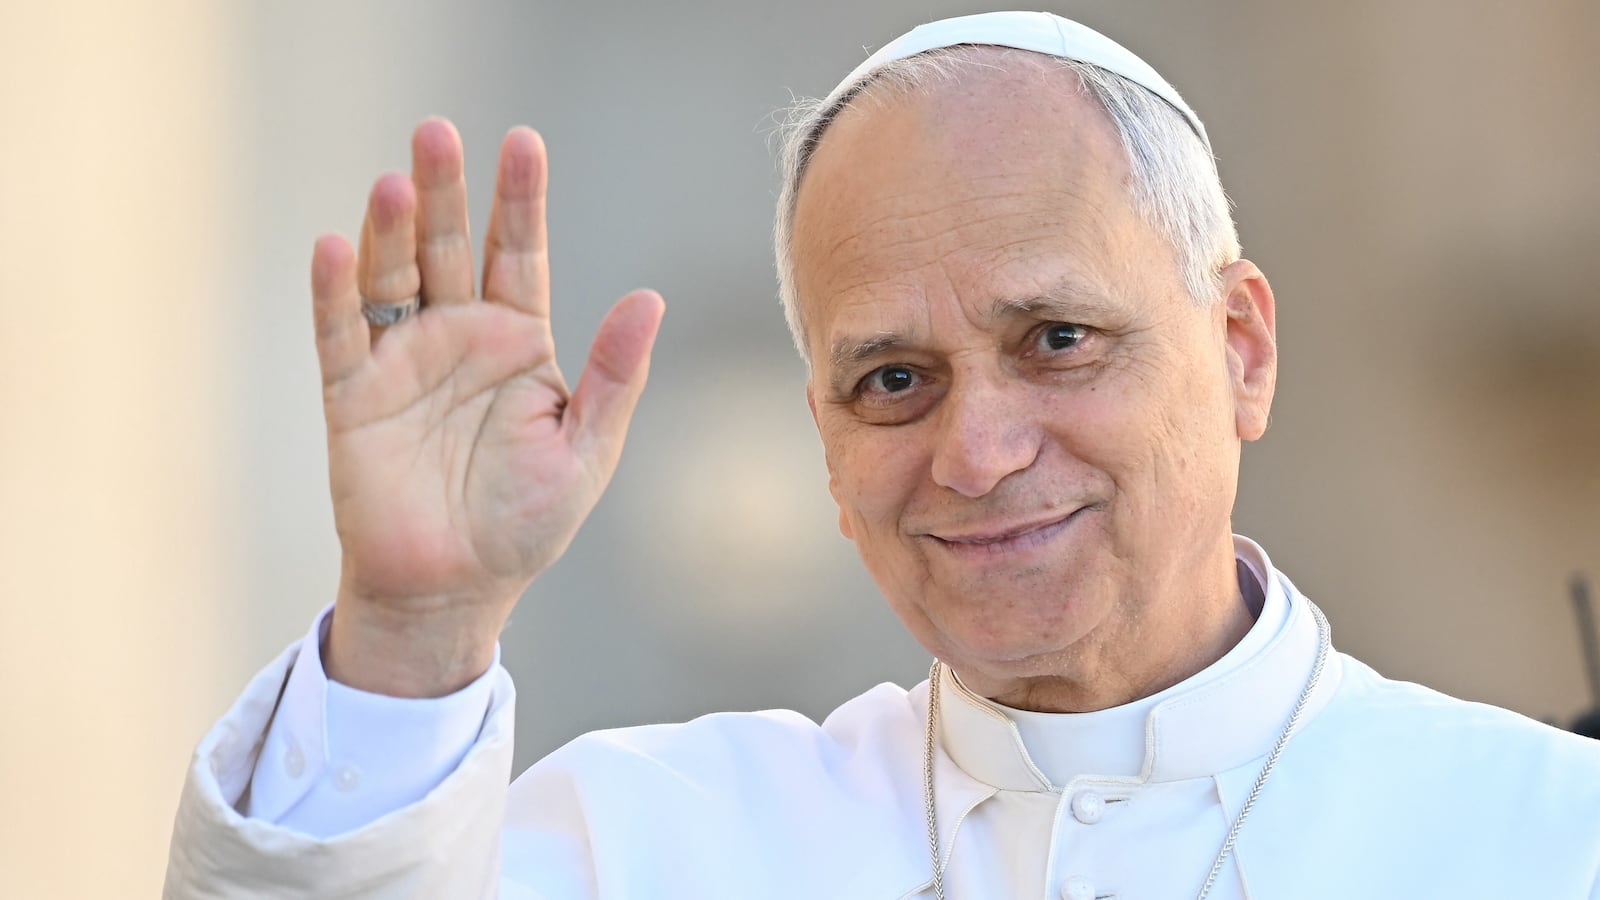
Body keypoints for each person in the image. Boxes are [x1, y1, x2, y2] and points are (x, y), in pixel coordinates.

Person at [163, 11, 1600, 899]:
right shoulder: (645, 845)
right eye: (894, 380)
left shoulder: (1545, 839)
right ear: (828, 451)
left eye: (1055, 340)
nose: (975, 451)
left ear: (1240, 348)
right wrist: (414, 627)